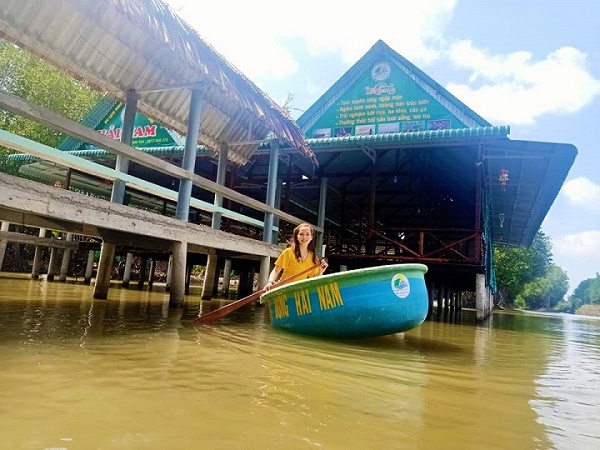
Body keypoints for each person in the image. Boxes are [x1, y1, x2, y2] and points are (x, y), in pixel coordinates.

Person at [263, 223, 328, 291]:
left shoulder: (313, 257)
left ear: (311, 237)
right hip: (283, 289)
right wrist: (270, 282)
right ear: (297, 236)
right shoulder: (288, 252)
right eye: (301, 234)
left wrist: (321, 270)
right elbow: (276, 270)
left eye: (307, 234)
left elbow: (314, 279)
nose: (304, 237)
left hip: (299, 291)